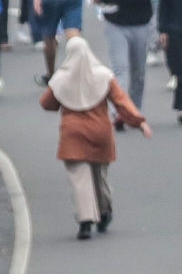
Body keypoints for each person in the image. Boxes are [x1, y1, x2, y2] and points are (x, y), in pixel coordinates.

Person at [45, 30, 154, 241]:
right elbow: (121, 102)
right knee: (100, 174)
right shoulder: (103, 75)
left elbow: (47, 104)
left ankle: (85, 220)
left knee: (80, 178)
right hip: (100, 131)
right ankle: (104, 212)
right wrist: (139, 122)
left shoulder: (61, 78)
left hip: (72, 133)